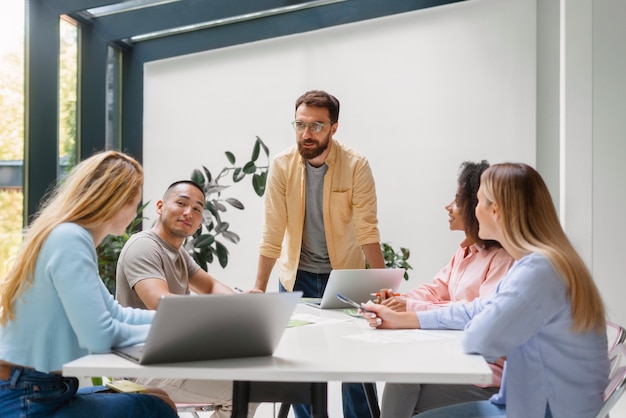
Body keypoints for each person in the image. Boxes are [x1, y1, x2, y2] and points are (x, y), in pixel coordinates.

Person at [364, 163, 609, 418]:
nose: (474, 210)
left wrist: (480, 318)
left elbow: (480, 339)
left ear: (496, 210)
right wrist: (406, 318)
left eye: (478, 201)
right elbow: (479, 310)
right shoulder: (541, 262)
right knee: (407, 384)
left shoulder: (538, 270)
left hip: (544, 409)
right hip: (537, 400)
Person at [0, 150, 178, 417]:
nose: (135, 211)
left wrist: (175, 322)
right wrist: (173, 334)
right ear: (118, 202)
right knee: (157, 408)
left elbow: (115, 313)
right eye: (135, 202)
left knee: (157, 395)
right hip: (27, 397)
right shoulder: (70, 239)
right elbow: (99, 335)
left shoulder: (67, 235)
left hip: (33, 388)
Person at [252, 89, 386, 418]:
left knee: (355, 367)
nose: (306, 134)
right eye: (300, 124)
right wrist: (258, 285)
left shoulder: (356, 165)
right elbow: (272, 230)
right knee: (303, 369)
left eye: (316, 126)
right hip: (295, 277)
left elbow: (367, 229)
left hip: (344, 278)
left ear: (333, 128)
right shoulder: (282, 165)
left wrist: (383, 286)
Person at [378, 161, 514, 418]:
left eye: (457, 201)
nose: (448, 207)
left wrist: (410, 310)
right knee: (404, 376)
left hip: (486, 376)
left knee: (404, 383)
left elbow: (475, 314)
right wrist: (399, 300)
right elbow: (434, 290)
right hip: (462, 359)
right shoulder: (464, 252)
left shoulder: (502, 259)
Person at [116, 180, 256, 417]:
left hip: (170, 359)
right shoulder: (144, 246)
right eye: (181, 203)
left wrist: (240, 304)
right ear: (160, 206)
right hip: (141, 367)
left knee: (250, 380)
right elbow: (161, 303)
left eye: (197, 209)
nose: (188, 212)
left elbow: (210, 286)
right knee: (247, 391)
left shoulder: (178, 253)